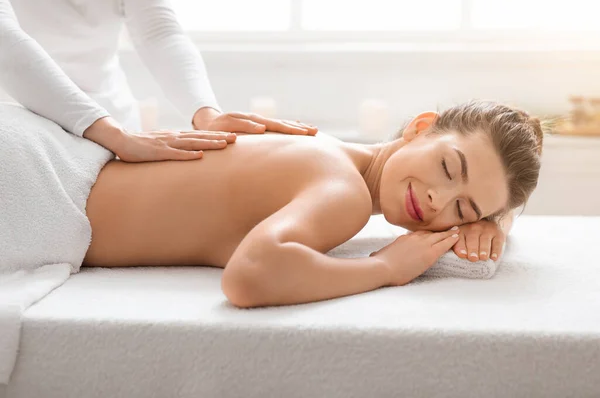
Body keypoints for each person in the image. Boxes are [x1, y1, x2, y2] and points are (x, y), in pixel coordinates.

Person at [82, 100, 544, 307]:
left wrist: (492, 225)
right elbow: (250, 276)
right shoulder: (345, 195)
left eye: (462, 210)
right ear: (421, 127)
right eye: (447, 168)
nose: (436, 200)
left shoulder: (321, 143)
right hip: (49, 189)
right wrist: (385, 269)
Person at [0, 0, 317, 163]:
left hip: (114, 120)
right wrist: (114, 135)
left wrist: (205, 113)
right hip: (22, 125)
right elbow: (7, 44)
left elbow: (159, 32)